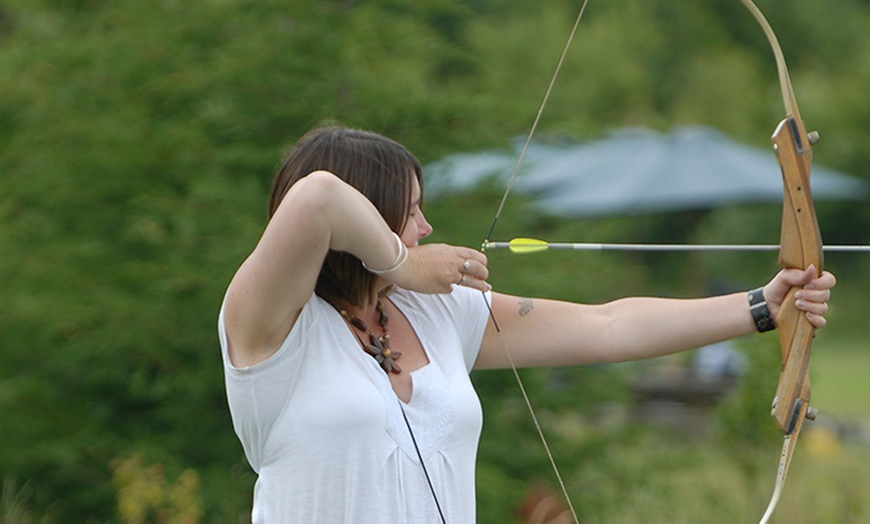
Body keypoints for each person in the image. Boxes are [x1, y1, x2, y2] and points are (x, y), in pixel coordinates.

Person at [218, 125, 835, 523]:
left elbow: (609, 326)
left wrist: (762, 305)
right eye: (409, 214)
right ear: (372, 222)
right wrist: (405, 265)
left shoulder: (438, 315)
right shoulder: (270, 329)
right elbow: (318, 196)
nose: (426, 228)